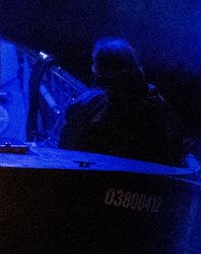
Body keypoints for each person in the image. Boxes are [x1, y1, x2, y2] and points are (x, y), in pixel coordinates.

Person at [57, 37, 187, 166]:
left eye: (95, 65)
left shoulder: (95, 100)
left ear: (101, 69)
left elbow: (67, 143)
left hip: (101, 175)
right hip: (151, 177)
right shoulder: (155, 98)